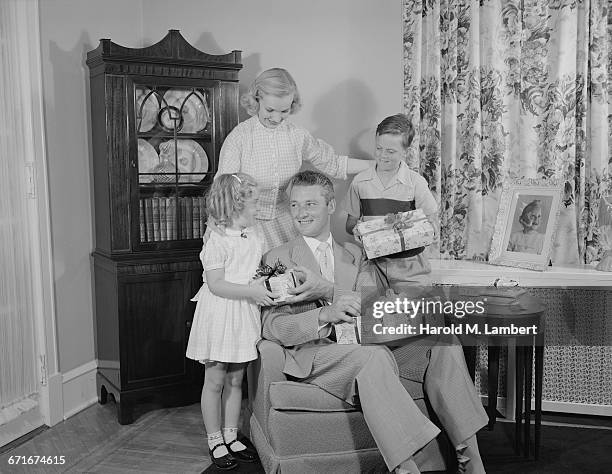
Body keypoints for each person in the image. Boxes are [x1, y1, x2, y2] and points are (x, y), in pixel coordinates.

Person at [261, 170, 488, 474]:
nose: (300, 213)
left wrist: (329, 290)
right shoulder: (277, 258)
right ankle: (407, 468)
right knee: (373, 357)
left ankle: (471, 460)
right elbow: (273, 327)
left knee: (442, 342)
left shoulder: (357, 254)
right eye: (294, 205)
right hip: (316, 355)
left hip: (366, 342)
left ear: (330, 206)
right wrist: (324, 313)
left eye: (310, 204)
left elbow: (378, 310)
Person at [215, 67, 373, 252]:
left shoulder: (297, 135)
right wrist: (219, 228)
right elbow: (222, 190)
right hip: (245, 222)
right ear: (257, 99)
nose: (276, 118)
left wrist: (376, 165)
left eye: (284, 111)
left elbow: (334, 163)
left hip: (284, 222)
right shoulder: (240, 137)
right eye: (270, 110)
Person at [186, 173, 274, 470]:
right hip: (221, 313)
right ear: (237, 204)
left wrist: (264, 281)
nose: (258, 207)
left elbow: (254, 269)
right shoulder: (217, 240)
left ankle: (231, 435)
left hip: (244, 312)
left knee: (237, 379)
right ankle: (214, 439)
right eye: (254, 202)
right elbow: (216, 284)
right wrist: (252, 290)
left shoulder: (255, 233)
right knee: (215, 379)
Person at [344, 113, 439, 290]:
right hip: (373, 263)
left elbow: (432, 225)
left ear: (406, 151)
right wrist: (357, 230)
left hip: (410, 265)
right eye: (379, 148)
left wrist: (415, 230)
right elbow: (349, 224)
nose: (382, 155)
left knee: (416, 311)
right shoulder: (360, 182)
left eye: (390, 151)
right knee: (364, 307)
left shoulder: (416, 183)